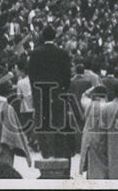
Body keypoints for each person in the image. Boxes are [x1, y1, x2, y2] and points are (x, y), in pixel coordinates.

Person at [28, 24, 74, 164]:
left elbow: (32, 76)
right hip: (58, 94)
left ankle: (46, 155)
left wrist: (36, 93)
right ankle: (58, 154)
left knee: (43, 125)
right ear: (55, 37)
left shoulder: (35, 53)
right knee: (59, 124)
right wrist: (63, 91)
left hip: (41, 95)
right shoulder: (62, 53)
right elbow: (67, 76)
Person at [0, 79, 32, 172]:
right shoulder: (8, 108)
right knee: (5, 172)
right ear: (9, 93)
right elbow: (13, 131)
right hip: (5, 147)